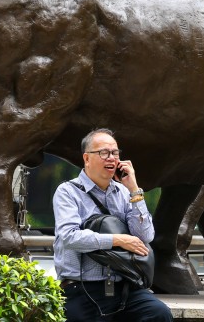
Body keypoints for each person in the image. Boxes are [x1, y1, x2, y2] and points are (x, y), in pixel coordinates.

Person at [53, 127, 172, 321]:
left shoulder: (124, 193)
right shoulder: (67, 192)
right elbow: (69, 237)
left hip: (123, 288)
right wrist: (117, 240)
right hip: (81, 289)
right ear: (86, 158)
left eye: (115, 153)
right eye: (104, 152)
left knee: (159, 314)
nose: (111, 158)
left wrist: (134, 189)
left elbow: (146, 237)